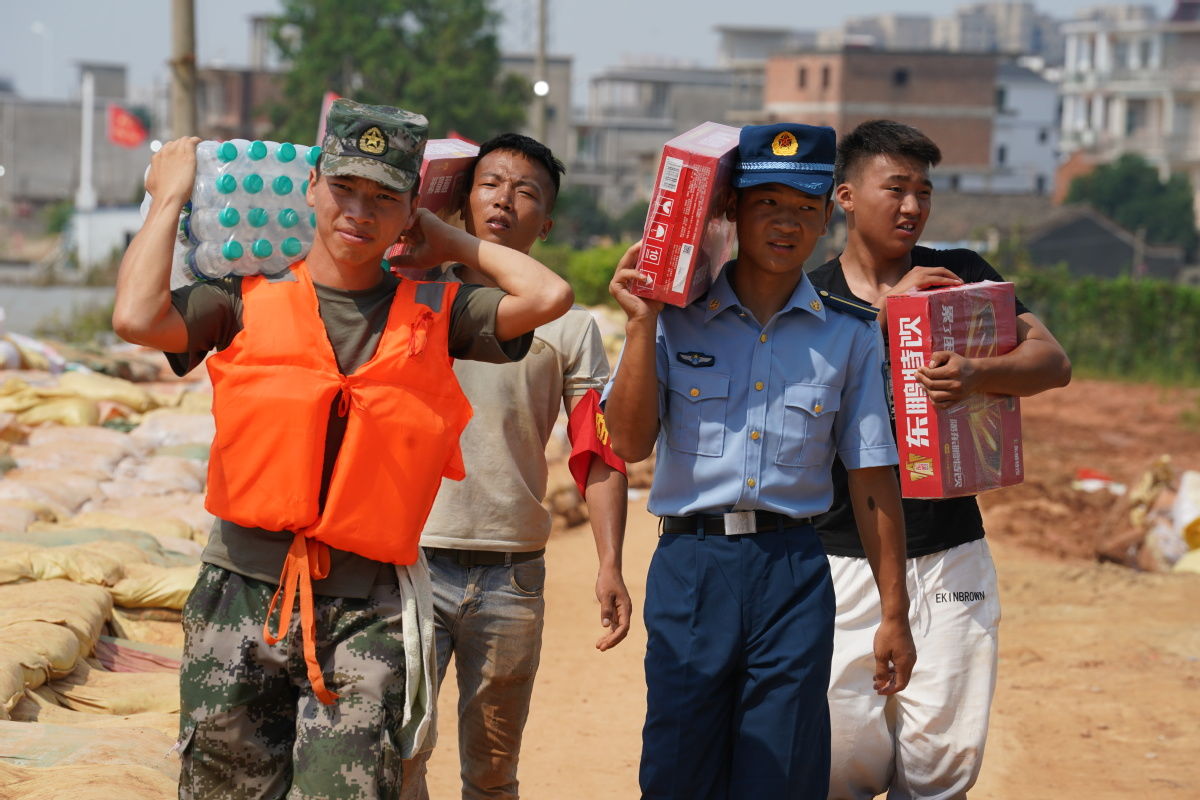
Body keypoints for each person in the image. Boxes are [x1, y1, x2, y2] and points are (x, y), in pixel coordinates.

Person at [111, 98, 574, 800]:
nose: (358, 210)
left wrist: (451, 242)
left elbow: (549, 295)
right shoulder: (241, 298)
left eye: (383, 197)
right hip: (241, 590)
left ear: (408, 210)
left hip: (368, 610)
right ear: (311, 188)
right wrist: (170, 196)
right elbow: (137, 317)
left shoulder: (436, 310)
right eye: (344, 189)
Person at [604, 122, 916, 800]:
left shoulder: (850, 334)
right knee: (679, 764)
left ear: (827, 218)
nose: (787, 223)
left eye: (805, 208)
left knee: (781, 770)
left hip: (793, 572)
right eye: (768, 203)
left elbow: (870, 478)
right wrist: (638, 323)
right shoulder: (672, 318)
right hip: (693, 569)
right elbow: (626, 444)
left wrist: (895, 611)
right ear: (732, 210)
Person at [809, 119, 1072, 800]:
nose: (911, 207)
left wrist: (981, 375)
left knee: (942, 763)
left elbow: (1051, 361)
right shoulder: (808, 298)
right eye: (894, 188)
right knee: (837, 757)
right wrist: (890, 318)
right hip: (837, 557)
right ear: (844, 196)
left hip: (951, 547)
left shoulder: (959, 279)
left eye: (923, 192)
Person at [397, 133, 632, 800]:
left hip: (511, 576)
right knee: (398, 755)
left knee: (493, 772)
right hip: (409, 564)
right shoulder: (410, 300)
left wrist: (609, 563)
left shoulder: (568, 326)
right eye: (491, 183)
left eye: (526, 192)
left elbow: (597, 452)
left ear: (547, 221)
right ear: (461, 200)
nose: (505, 198)